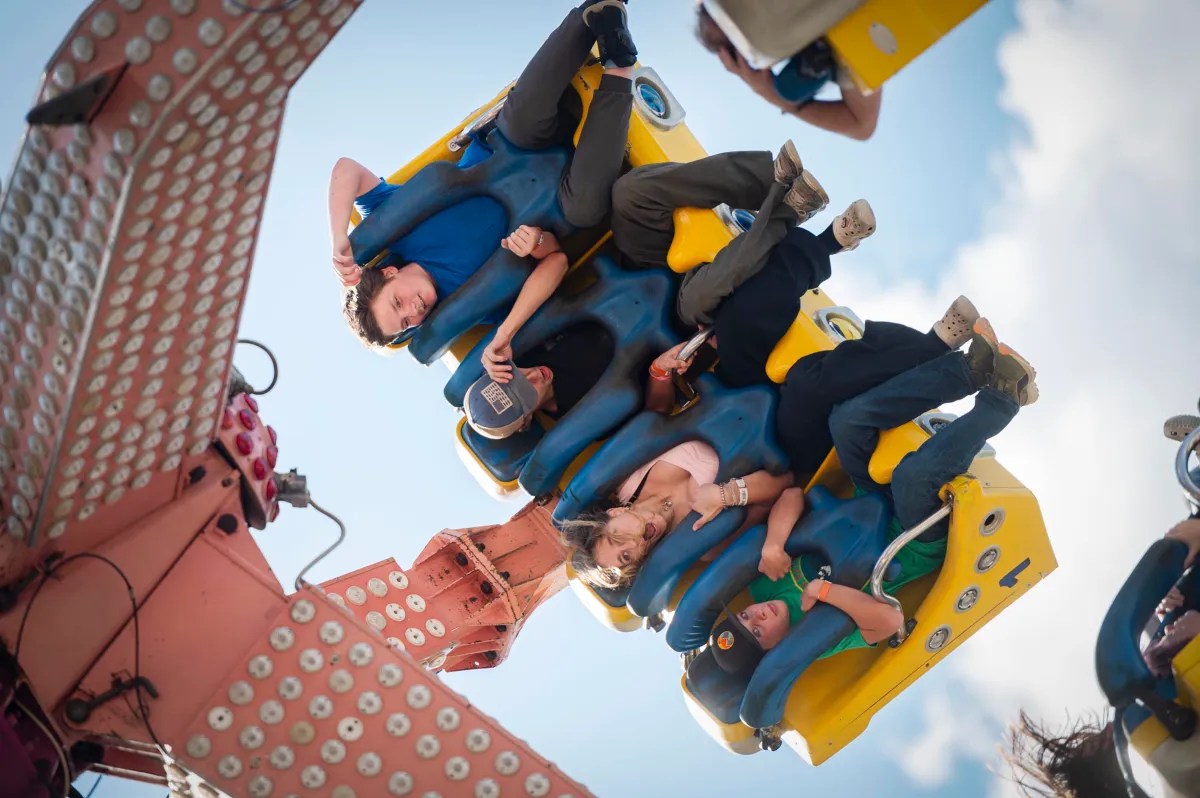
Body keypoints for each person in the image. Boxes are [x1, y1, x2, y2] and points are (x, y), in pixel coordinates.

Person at [706, 318, 1040, 678]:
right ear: (772, 650)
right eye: (757, 631)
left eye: (744, 616)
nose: (757, 616)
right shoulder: (814, 637)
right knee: (912, 476)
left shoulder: (762, 583)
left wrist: (774, 544)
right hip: (909, 536)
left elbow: (790, 496)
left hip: (866, 500)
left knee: (847, 421)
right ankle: (1004, 398)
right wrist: (824, 590)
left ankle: (967, 371)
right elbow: (888, 620)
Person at [331, 1, 638, 350]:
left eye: (397, 303)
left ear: (389, 274)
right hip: (564, 200)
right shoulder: (472, 306)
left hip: (516, 147)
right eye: (406, 323)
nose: (413, 310)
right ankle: (620, 65)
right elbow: (556, 262)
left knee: (521, 114)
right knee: (585, 207)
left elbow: (346, 170)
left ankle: (596, 14)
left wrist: (340, 238)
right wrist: (537, 243)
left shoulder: (393, 223)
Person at [609, 141, 876, 389]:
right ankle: (808, 225)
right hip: (685, 319)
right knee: (706, 294)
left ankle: (767, 181)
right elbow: (652, 409)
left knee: (630, 194)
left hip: (639, 273)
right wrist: (659, 371)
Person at [1007, 518, 1200, 798]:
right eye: (1103, 741)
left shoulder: (1153, 686)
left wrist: (1166, 614)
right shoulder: (1168, 761)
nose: (1113, 726)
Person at [560, 439, 795, 590]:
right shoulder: (702, 543)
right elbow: (784, 483)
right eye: (626, 556)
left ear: (615, 512)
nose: (634, 543)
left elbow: (661, 419)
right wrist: (726, 495)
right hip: (785, 443)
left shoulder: (626, 477)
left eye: (617, 537)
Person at [693, 4, 882, 141]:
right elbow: (860, 124)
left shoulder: (774, 45)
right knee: (789, 88)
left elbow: (861, 124)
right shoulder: (847, 39)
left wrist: (771, 93)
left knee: (789, 89)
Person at [462, 322, 616, 439]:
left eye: (513, 374)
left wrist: (505, 334)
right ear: (526, 420)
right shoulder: (584, 417)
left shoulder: (522, 348)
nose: (533, 374)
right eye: (525, 391)